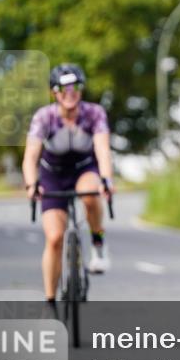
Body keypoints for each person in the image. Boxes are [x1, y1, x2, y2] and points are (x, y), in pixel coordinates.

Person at [22, 64, 114, 314]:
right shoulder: (44, 117)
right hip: (53, 174)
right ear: (55, 92)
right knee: (53, 238)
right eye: (64, 88)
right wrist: (32, 184)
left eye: (76, 87)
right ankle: (50, 301)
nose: (70, 93)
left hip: (84, 167)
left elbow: (103, 150)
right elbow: (30, 156)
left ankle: (98, 243)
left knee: (89, 194)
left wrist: (106, 179)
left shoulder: (94, 113)